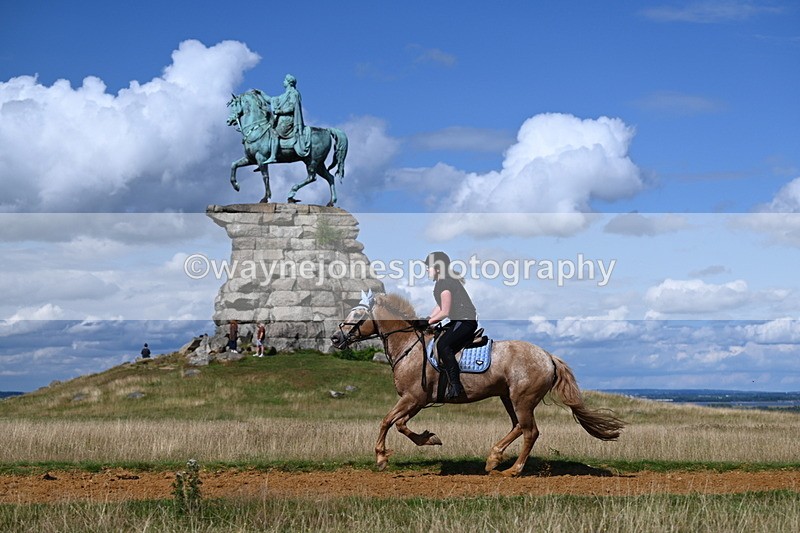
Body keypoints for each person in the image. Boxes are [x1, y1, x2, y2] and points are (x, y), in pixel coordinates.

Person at [420, 251, 478, 400]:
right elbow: (440, 306)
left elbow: (445, 312)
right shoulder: (441, 283)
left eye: (428, 267)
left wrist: (428, 322)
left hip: (465, 321)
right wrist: (427, 319)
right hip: (458, 321)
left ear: (437, 268)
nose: (426, 269)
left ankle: (456, 386)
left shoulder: (445, 283)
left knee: (443, 345)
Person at [261, 74, 309, 162]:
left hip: (288, 120)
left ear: (289, 83)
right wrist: (261, 93)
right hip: (281, 119)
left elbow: (292, 107)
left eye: (285, 80)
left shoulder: (294, 93)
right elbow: (271, 100)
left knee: (273, 132)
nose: (283, 82)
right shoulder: (284, 95)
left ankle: (273, 156)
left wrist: (280, 111)